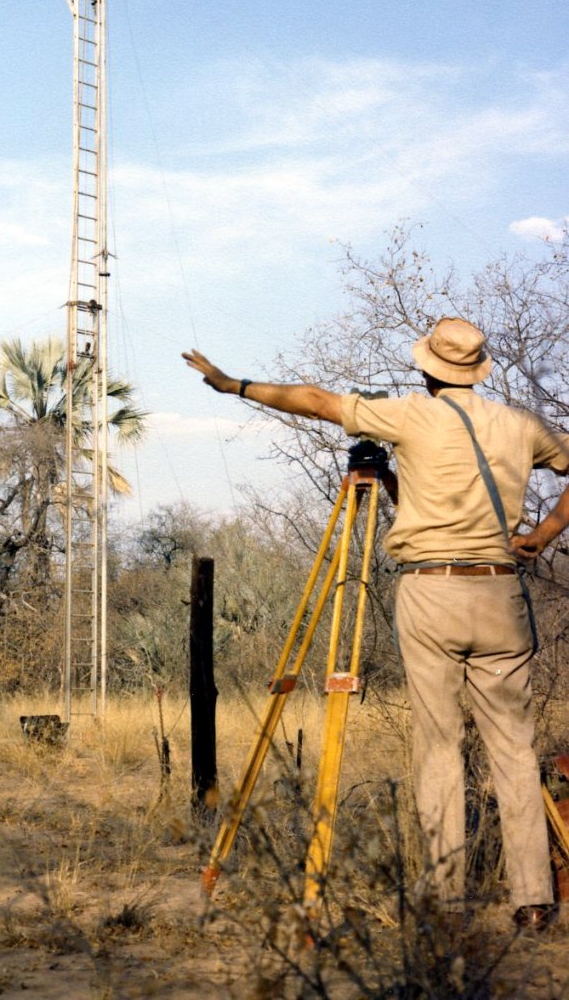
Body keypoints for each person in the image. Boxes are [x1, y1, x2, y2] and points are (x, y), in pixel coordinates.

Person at [183, 318, 569, 931]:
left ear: (428, 370)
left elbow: (314, 400)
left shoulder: (411, 415)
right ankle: (534, 900)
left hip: (432, 592)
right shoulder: (520, 426)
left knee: (439, 746)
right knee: (515, 751)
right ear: (479, 369)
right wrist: (545, 534)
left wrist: (234, 385)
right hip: (501, 594)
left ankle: (445, 898)